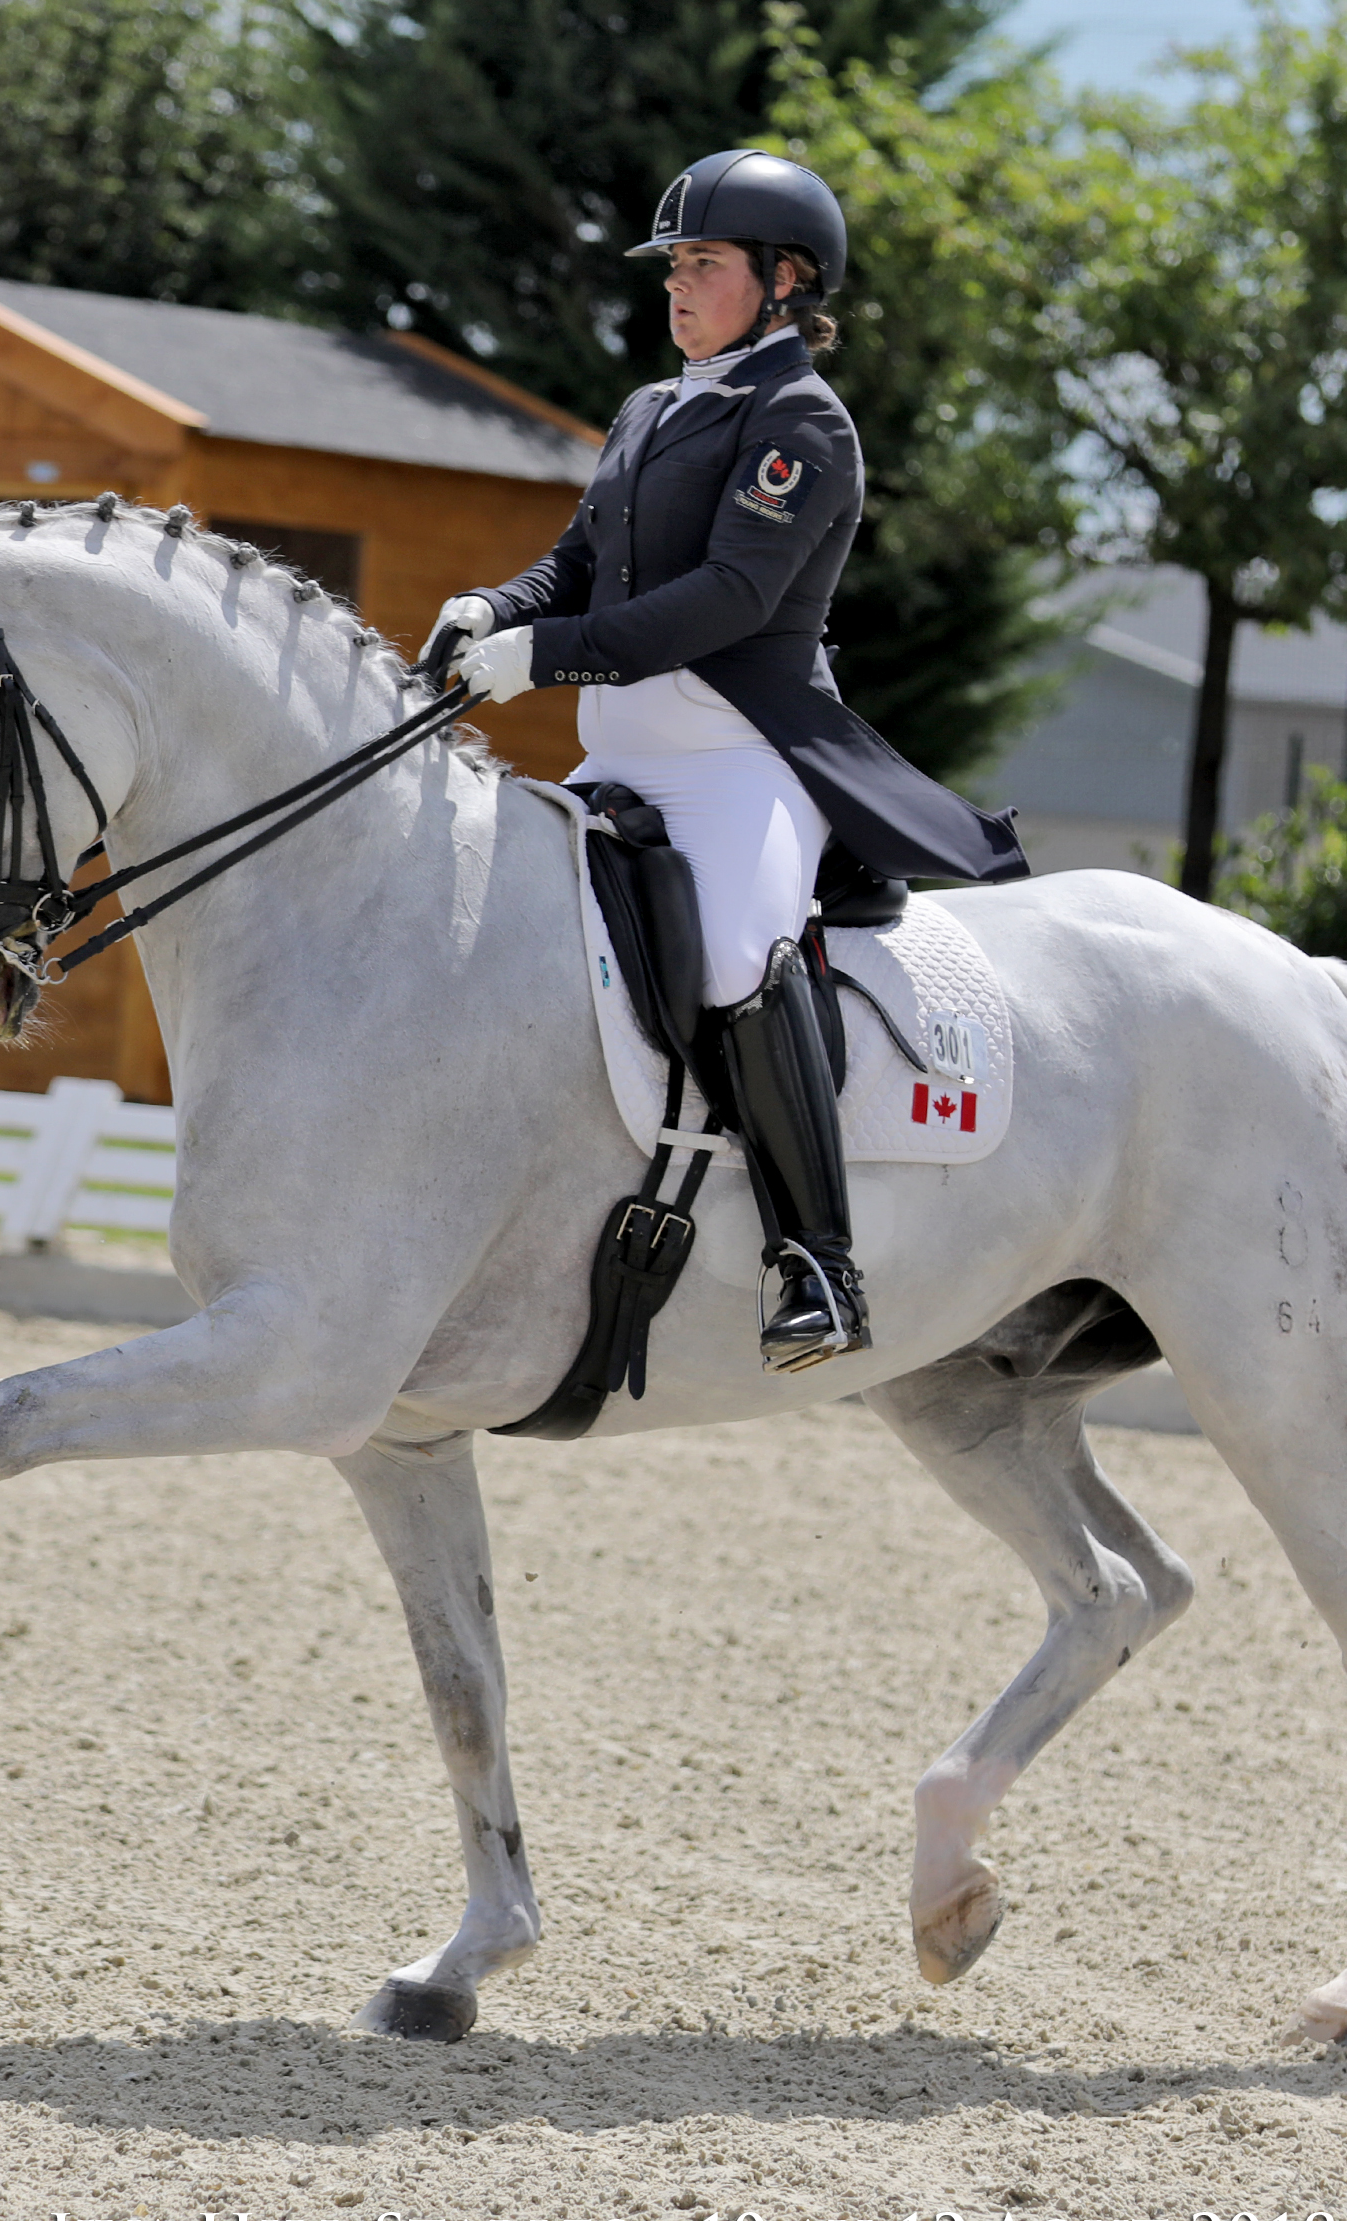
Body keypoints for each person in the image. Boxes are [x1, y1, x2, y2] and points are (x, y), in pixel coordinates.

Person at [427, 148, 1028, 1373]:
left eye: (704, 263)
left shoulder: (800, 422)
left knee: (743, 957)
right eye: (675, 267)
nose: (678, 287)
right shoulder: (654, 408)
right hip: (622, 759)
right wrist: (496, 610)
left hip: (741, 762)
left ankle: (815, 1259)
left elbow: (730, 599)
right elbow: (576, 564)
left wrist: (548, 656)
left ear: (785, 279)